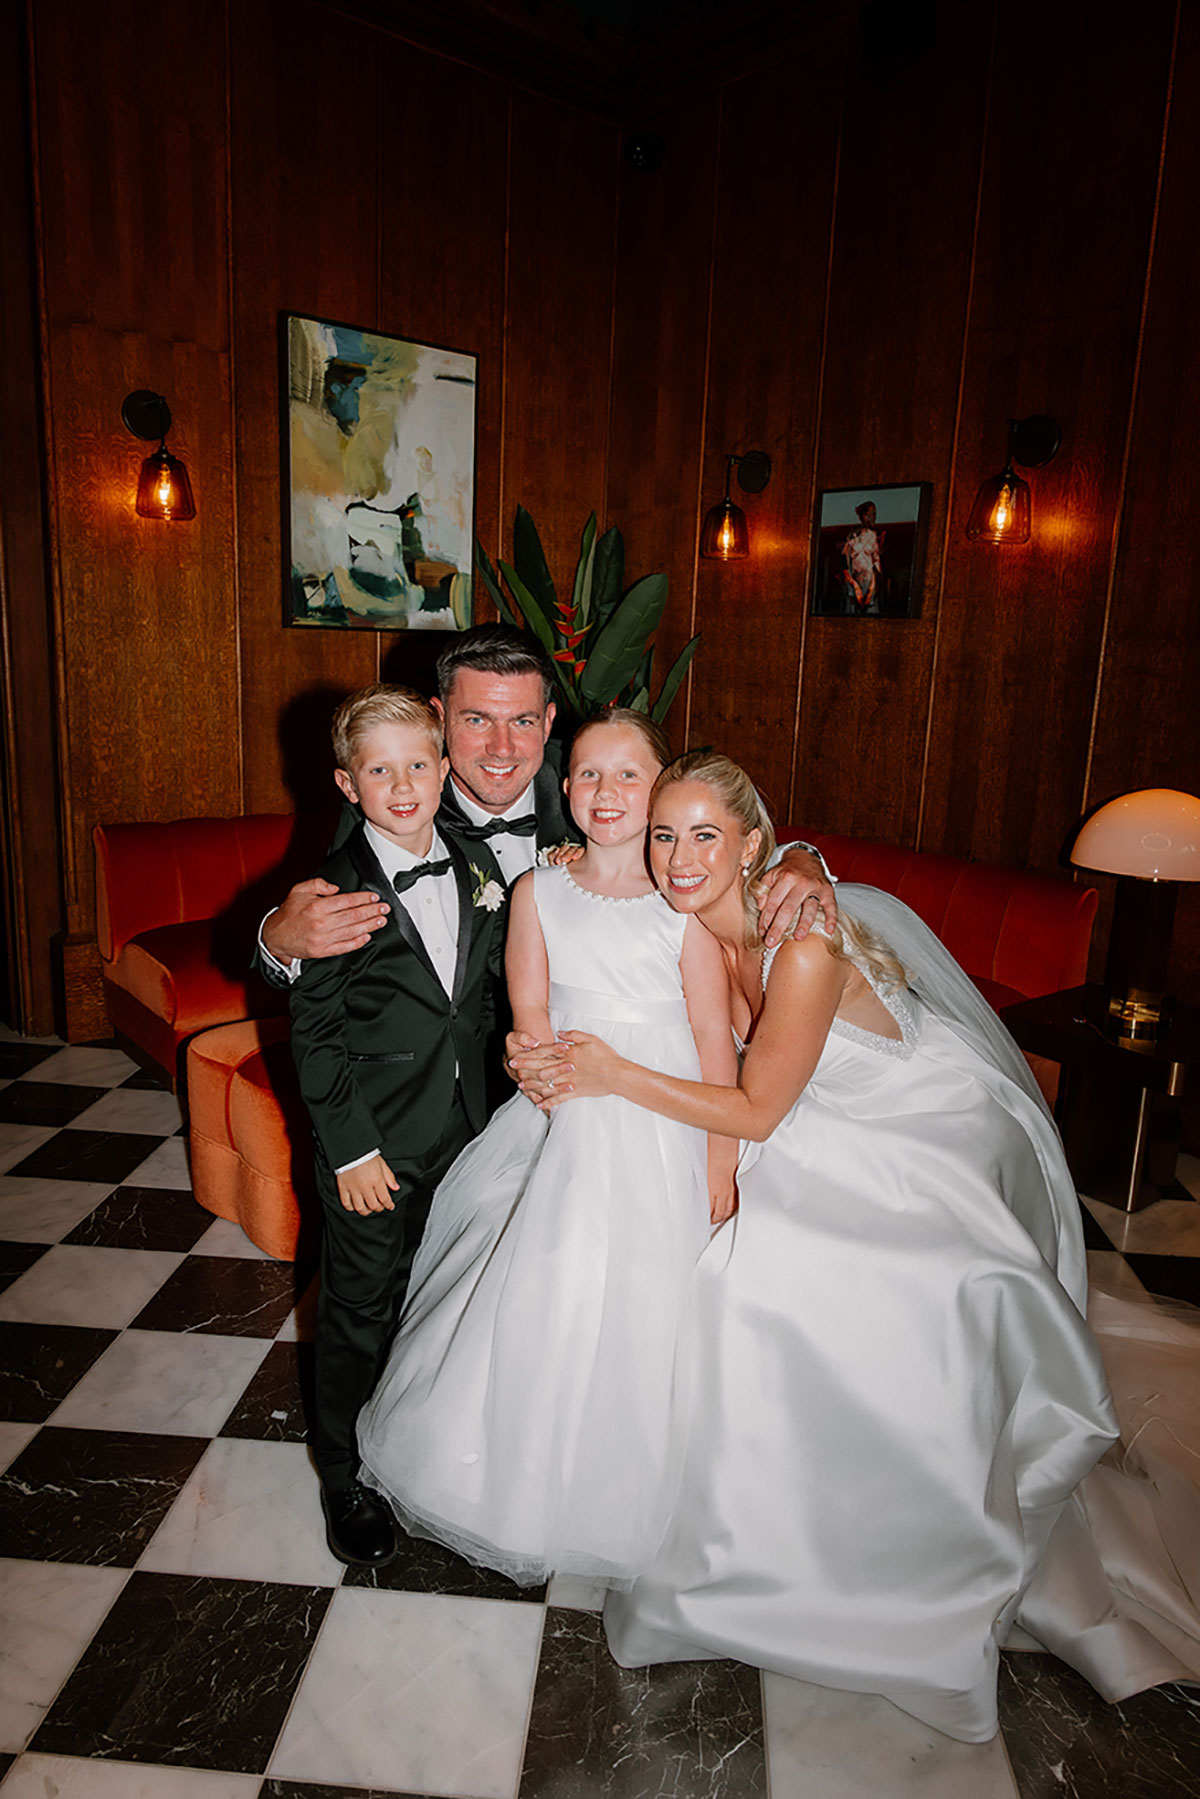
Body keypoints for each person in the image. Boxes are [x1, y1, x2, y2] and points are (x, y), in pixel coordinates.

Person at [524, 751, 1200, 1743]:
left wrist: (614, 1074)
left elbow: (755, 1108)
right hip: (810, 1113)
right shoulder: (693, 913)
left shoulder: (805, 939)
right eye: (665, 833)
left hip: (916, 1128)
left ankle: (879, 1563)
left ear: (754, 844)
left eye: (707, 834)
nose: (678, 855)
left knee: (786, 1281)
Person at [356, 712, 738, 1589]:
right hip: (566, 1114)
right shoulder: (539, 889)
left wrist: (719, 1163)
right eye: (590, 776)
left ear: (660, 790)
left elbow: (716, 1048)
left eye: (629, 777)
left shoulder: (684, 909)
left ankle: (638, 1488)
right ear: (563, 790)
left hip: (665, 1119)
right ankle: (519, 1483)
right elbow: (530, 1016)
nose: (608, 794)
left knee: (653, 1300)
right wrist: (543, 1079)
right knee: (552, 1283)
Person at [257, 625, 836, 976]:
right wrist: (276, 942)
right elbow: (322, 939)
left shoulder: (592, 781)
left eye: (524, 721)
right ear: (438, 717)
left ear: (550, 720)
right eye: (477, 719)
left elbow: (711, 821)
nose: (502, 747)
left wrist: (800, 857)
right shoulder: (394, 808)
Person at [289, 685, 505, 1570]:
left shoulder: (477, 858)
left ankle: (416, 1438)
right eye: (380, 770)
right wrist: (350, 1149)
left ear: (444, 766)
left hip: (469, 1130)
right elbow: (315, 1032)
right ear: (348, 784)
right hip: (372, 1146)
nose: (404, 784)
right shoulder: (332, 894)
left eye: (419, 763)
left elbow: (480, 998)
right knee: (360, 1302)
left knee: (442, 1287)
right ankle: (344, 1472)